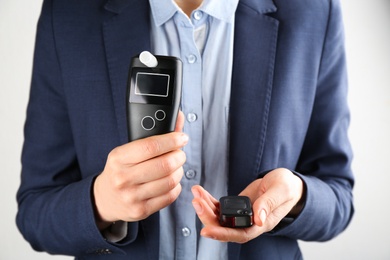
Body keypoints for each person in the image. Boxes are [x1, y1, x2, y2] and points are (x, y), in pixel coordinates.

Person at [16, 0, 354, 259]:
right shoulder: (69, 14)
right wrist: (100, 203)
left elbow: (338, 196)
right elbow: (35, 211)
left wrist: (295, 197)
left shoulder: (313, 11)